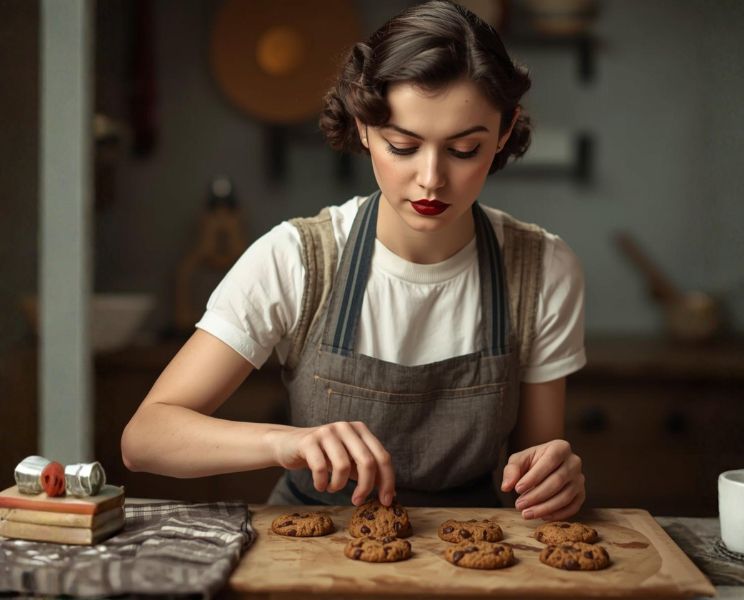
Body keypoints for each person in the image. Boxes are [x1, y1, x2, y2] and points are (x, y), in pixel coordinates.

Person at [121, 0, 586, 520]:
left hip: (471, 549)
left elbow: (536, 468)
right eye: (404, 146)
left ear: (504, 132)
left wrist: (554, 477)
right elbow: (145, 438)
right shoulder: (296, 259)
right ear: (364, 127)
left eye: (463, 150)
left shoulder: (542, 268)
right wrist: (288, 443)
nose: (431, 178)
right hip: (312, 544)